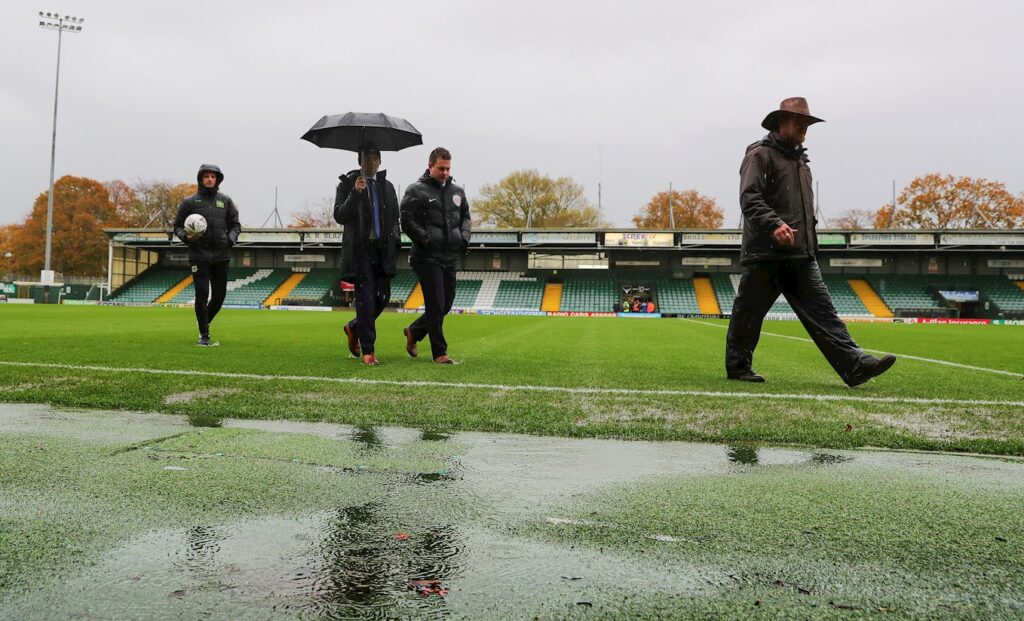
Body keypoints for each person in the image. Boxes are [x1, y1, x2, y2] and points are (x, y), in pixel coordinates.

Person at [725, 98, 896, 386]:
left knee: (824, 314)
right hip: (765, 255)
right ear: (781, 123)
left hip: (800, 256)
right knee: (748, 315)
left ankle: (854, 365)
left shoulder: (802, 163)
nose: (804, 127)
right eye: (799, 122)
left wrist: (810, 246)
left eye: (807, 123)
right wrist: (774, 224)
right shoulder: (760, 155)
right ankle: (738, 367)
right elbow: (749, 198)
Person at [400, 147, 471, 364]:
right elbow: (406, 219)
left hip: (449, 256)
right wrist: (426, 239)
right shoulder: (416, 190)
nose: (445, 172)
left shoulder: (457, 192)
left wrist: (464, 237)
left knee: (446, 304)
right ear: (430, 166)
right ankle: (440, 353)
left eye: (448, 168)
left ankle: (414, 331)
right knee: (435, 305)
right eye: (441, 168)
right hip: (426, 256)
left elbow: (465, 217)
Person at [334, 145, 401, 365]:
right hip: (360, 251)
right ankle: (368, 350)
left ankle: (354, 326)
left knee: (383, 298)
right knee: (365, 300)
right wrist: (355, 194)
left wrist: (396, 241)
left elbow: (394, 218)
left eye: (375, 159)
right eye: (367, 159)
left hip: (383, 251)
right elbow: (340, 216)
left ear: (380, 162)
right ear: (359, 161)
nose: (371, 163)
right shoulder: (346, 185)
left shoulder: (388, 187)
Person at [173, 164, 240, 347]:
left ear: (217, 179)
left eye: (213, 176)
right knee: (201, 294)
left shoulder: (226, 201)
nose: (210, 179)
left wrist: (230, 239)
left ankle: (204, 320)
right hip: (198, 254)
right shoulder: (189, 202)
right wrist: (186, 237)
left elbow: (235, 224)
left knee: (219, 296)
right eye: (206, 176)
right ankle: (204, 334)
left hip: (221, 254)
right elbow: (177, 226)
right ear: (200, 179)